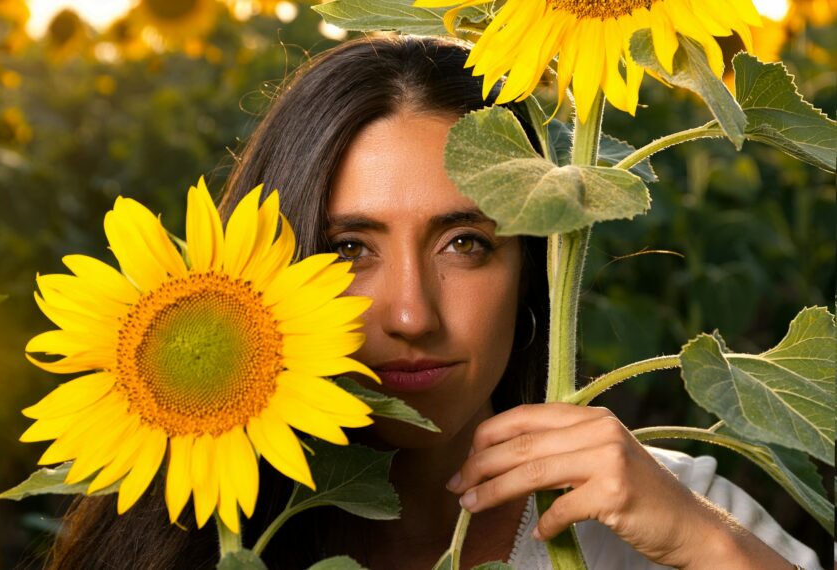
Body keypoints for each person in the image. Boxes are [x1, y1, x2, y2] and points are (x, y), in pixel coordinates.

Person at [46, 36, 823, 569]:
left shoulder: (667, 512)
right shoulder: (184, 527)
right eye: (349, 249)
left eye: (465, 244)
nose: (412, 315)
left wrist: (708, 546)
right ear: (264, 270)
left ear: (534, 270)